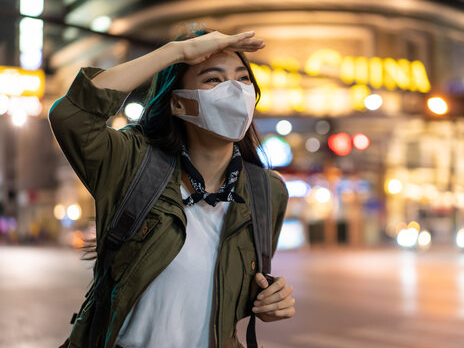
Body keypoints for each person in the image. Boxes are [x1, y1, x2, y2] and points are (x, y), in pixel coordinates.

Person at [49, 28, 295, 348]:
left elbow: (228, 286)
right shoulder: (132, 164)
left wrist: (269, 300)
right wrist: (176, 52)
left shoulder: (267, 191)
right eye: (213, 80)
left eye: (243, 78)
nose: (234, 90)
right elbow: (73, 115)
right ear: (179, 104)